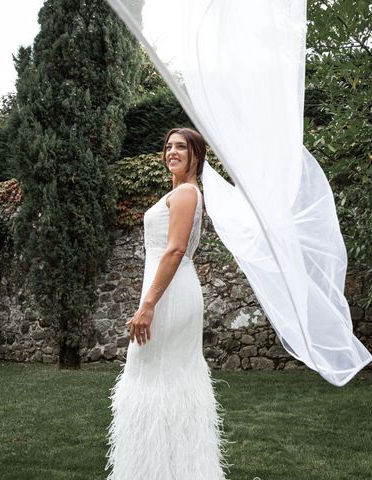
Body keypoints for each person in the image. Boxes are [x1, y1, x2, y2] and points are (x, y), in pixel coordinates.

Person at [105, 127, 229, 479]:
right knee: (161, 378)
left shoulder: (188, 192)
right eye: (168, 146)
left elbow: (174, 251)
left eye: (181, 147)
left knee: (152, 375)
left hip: (171, 296)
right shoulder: (180, 192)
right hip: (170, 291)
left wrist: (147, 306)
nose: (171, 152)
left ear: (196, 156)